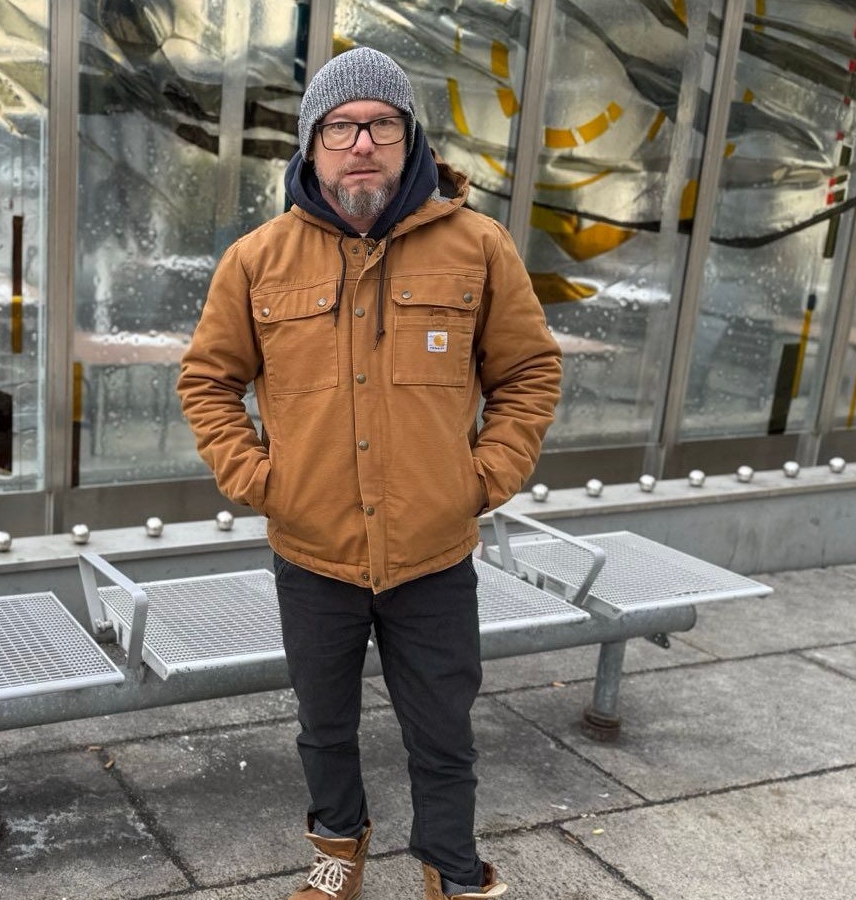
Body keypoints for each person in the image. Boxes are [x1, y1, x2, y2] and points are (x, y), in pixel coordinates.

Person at [177, 48, 562, 900]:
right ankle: (336, 854)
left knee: (444, 729)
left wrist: (481, 477)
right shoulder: (258, 260)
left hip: (433, 552)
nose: (362, 144)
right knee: (323, 726)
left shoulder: (478, 248)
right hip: (313, 552)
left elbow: (530, 372)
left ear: (408, 138)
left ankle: (451, 870)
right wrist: (262, 481)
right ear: (313, 146)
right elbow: (207, 381)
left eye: (381, 125)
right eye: (341, 127)